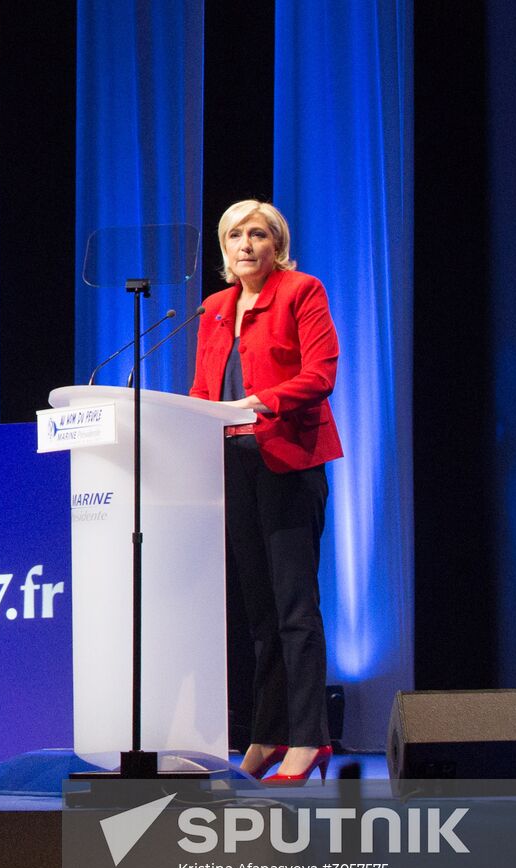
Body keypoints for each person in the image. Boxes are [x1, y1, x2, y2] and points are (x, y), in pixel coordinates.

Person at [189, 199, 342, 785]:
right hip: (233, 465)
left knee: (295, 610)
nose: (245, 244)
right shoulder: (213, 308)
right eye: (234, 236)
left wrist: (261, 401)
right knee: (259, 616)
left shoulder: (302, 292)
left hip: (288, 462)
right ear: (224, 250)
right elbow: (204, 388)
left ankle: (309, 740)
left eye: (257, 234)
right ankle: (268, 733)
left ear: (276, 243)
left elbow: (320, 375)